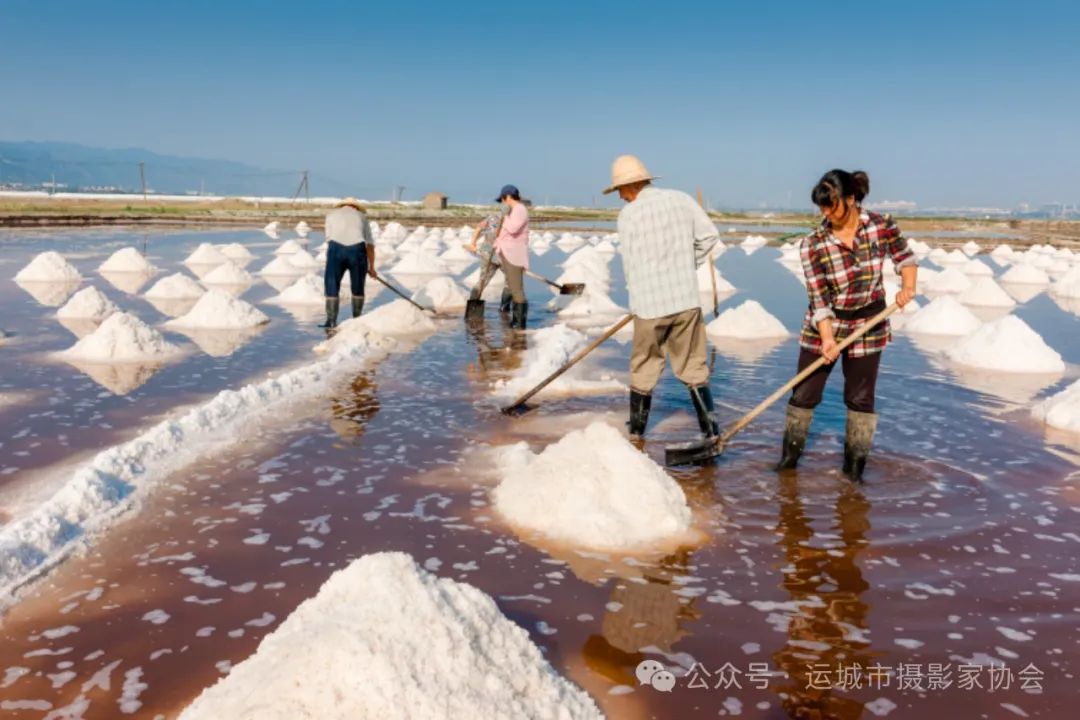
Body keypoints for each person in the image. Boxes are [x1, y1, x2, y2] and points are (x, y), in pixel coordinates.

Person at [777, 169, 918, 482]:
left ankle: (853, 474)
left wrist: (908, 285)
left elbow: (905, 257)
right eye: (822, 207)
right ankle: (787, 466)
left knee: (860, 399)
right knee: (804, 394)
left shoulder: (881, 225)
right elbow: (818, 298)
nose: (827, 214)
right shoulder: (814, 244)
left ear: (851, 199)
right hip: (825, 323)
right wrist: (827, 339)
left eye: (833, 206)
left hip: (870, 322)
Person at [603, 155, 721, 442]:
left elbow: (630, 264)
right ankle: (711, 432)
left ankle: (637, 433)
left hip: (649, 305)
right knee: (693, 366)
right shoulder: (681, 200)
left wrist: (637, 299)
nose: (620, 196)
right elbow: (709, 237)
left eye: (619, 190)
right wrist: (683, 264)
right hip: (686, 301)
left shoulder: (628, 216)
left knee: (644, 367)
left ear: (630, 186)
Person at [320, 197, 377, 329]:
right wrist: (372, 267)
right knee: (358, 285)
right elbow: (370, 244)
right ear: (355, 207)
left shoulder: (331, 215)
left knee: (332, 284)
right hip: (357, 250)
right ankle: (356, 319)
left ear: (343, 206)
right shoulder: (362, 216)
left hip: (336, 249)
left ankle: (331, 321)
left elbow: (329, 238)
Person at [492, 184, 530, 329]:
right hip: (509, 252)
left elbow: (513, 229)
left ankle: (519, 325)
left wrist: (504, 217)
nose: (502, 202)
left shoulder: (519, 210)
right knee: (514, 287)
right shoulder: (514, 210)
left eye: (502, 199)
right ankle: (516, 321)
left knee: (516, 289)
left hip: (514, 253)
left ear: (507, 197)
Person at [464, 207, 505, 304]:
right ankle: (504, 310)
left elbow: (478, 228)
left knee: (482, 282)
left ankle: (473, 306)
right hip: (504, 257)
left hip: (486, 254)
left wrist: (473, 243)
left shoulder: (492, 218)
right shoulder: (513, 223)